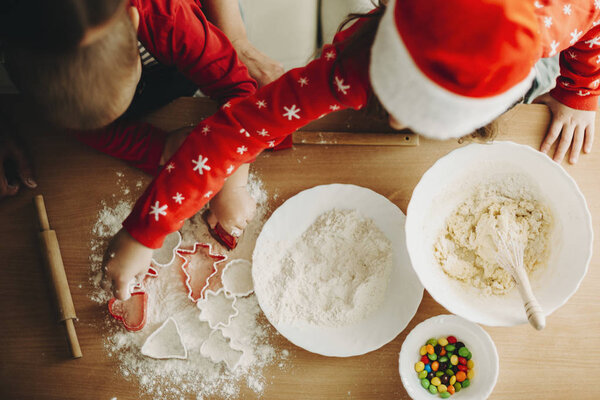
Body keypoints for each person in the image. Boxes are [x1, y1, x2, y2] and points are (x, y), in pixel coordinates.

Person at [102, 0, 599, 299]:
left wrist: (579, 94)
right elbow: (232, 132)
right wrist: (145, 232)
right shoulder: (349, 63)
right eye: (389, 98)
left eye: (420, 117)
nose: (398, 122)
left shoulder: (560, 15)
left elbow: (593, 26)